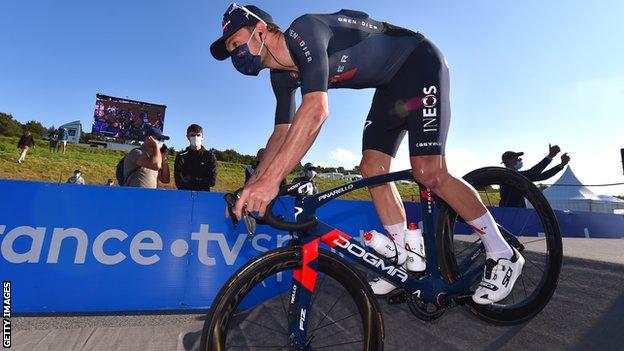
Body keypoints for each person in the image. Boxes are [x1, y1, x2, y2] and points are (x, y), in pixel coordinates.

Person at [210, 3, 525, 304]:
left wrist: (272, 181)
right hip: (389, 87)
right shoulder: (280, 77)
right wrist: (252, 184)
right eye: (230, 51)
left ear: (261, 30)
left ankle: (502, 252)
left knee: (428, 172)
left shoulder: (303, 31)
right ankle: (406, 255)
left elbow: (316, 110)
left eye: (236, 43)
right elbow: (281, 133)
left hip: (419, 63)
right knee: (371, 168)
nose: (235, 55)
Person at [500, 144, 571, 207]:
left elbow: (543, 176)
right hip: (511, 210)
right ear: (508, 161)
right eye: (517, 158)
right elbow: (533, 172)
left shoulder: (515, 175)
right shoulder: (508, 174)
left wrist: (561, 165)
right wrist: (550, 156)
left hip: (516, 210)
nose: (519, 160)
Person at [174, 124, 218, 191]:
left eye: (198, 135)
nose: (196, 138)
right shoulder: (181, 156)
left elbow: (212, 181)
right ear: (187, 137)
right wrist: (202, 181)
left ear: (202, 137)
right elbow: (179, 182)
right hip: (184, 195)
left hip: (203, 195)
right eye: (192, 135)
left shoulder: (209, 156)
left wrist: (191, 179)